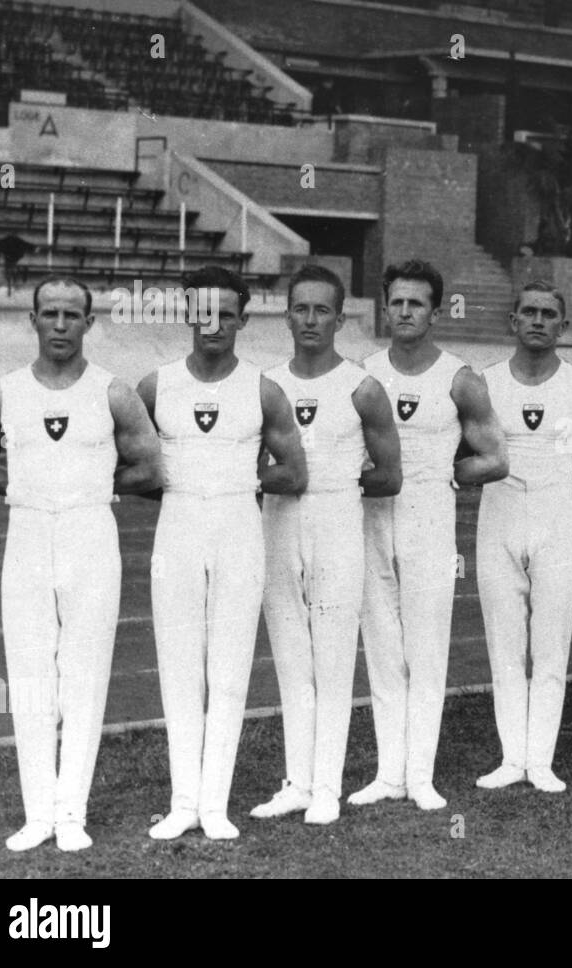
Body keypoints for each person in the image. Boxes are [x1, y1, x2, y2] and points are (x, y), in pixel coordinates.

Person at [0, 276, 161, 852]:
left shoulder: (113, 392)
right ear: (33, 319)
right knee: (29, 677)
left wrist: (92, 486)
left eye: (73, 315)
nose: (61, 325)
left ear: (90, 323)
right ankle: (37, 814)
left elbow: (150, 468)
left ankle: (71, 812)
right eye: (50, 313)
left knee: (85, 673)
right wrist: (22, 487)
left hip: (90, 531)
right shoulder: (4, 392)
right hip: (26, 534)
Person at [137, 266, 308, 842]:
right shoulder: (155, 385)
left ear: (242, 318)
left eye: (226, 313)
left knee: (230, 670)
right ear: (188, 313)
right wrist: (179, 485)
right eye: (203, 311)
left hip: (239, 526)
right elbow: (129, 463)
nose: (214, 323)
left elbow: (295, 471)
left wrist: (242, 483)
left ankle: (215, 805)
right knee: (180, 664)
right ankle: (183, 801)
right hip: (177, 526)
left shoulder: (263, 389)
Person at [349, 260, 507, 812]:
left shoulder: (460, 377)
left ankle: (420, 774)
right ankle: (388, 772)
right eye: (397, 302)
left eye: (416, 303)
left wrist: (444, 474)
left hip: (429, 516)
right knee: (383, 646)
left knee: (426, 647)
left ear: (436, 312)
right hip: (371, 514)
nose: (405, 312)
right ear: (385, 306)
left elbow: (494, 457)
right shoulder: (362, 374)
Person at [252, 265, 402, 825]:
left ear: (341, 318)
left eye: (322, 310)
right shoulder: (264, 385)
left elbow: (389, 475)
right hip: (278, 524)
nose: (310, 319)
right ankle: (297, 781)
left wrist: (336, 489)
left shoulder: (362, 388)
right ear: (285, 313)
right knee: (291, 657)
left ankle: (327, 789)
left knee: (334, 660)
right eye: (300, 308)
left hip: (340, 524)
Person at [475, 281, 572, 793]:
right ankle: (511, 758)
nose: (538, 321)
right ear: (512, 321)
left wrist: (565, 481)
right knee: (506, 645)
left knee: (552, 646)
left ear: (564, 325)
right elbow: (464, 457)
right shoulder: (485, 385)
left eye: (548, 314)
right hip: (499, 517)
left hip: (558, 519)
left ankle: (541, 760)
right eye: (528, 312)